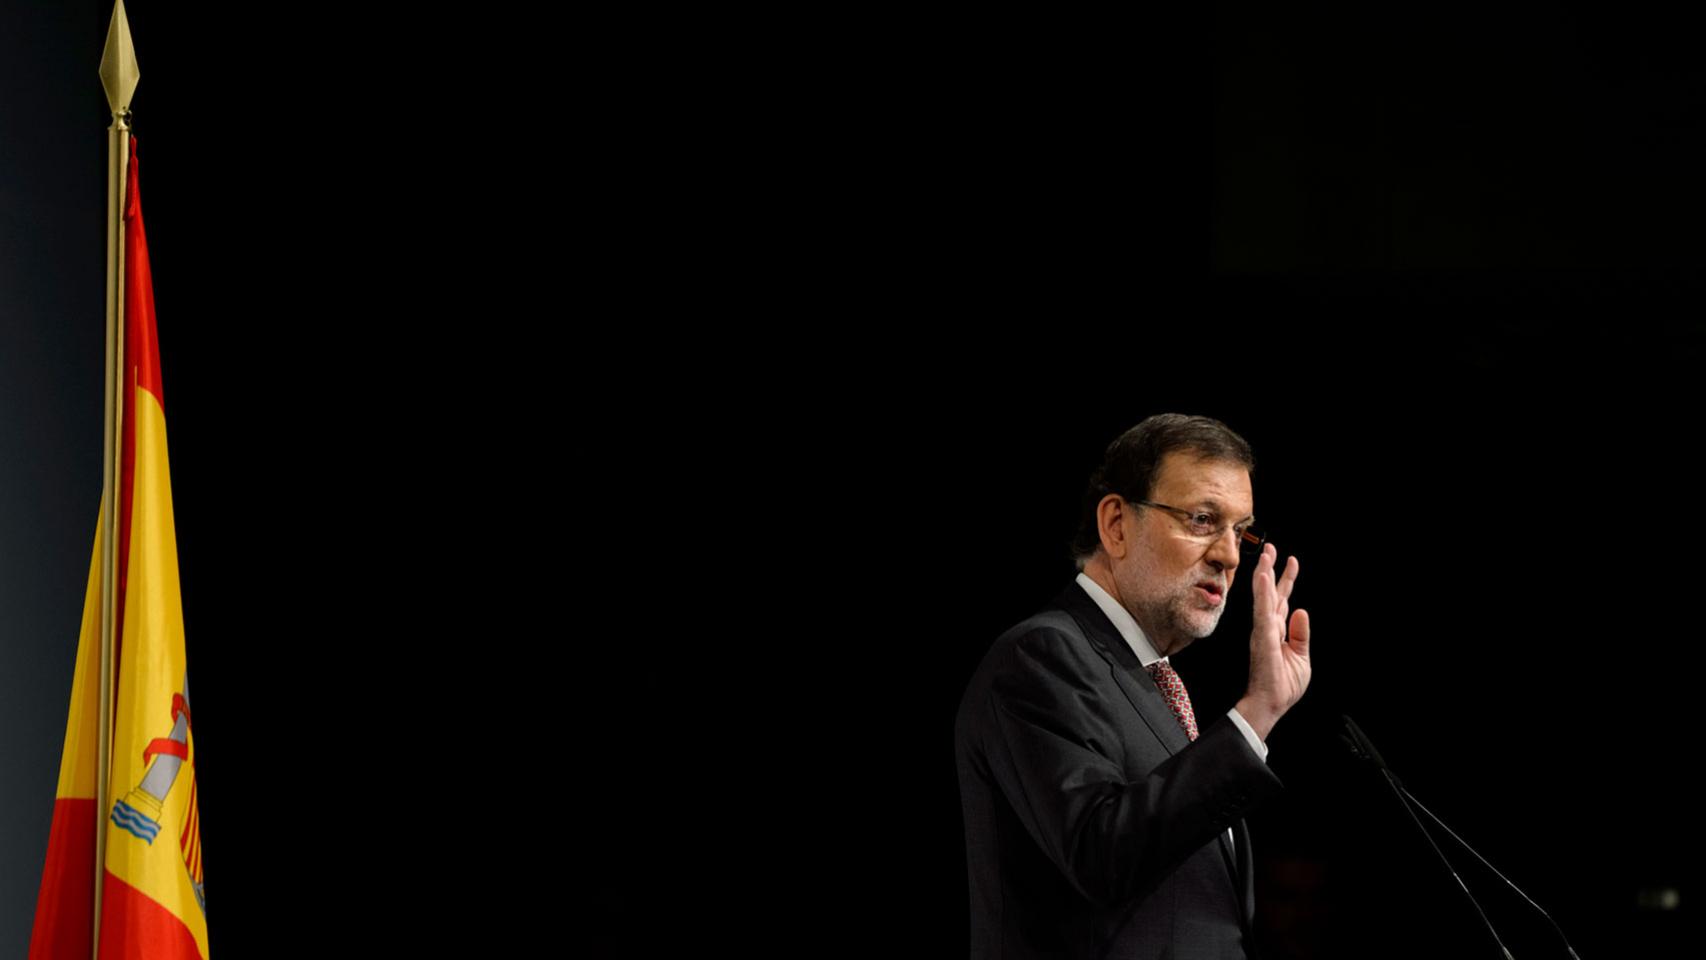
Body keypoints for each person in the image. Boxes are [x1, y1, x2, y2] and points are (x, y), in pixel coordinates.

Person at [955, 413, 1312, 959]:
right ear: (1117, 524)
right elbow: (1101, 856)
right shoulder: (1040, 657)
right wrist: (1257, 712)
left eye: (1240, 531)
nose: (1228, 555)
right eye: (1201, 519)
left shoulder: (1146, 679)